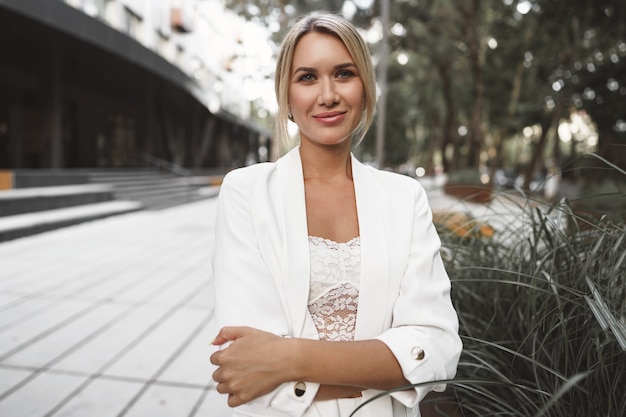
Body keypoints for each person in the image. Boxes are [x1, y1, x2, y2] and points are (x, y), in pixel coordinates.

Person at [210, 12, 462, 417]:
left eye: (344, 74)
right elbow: (246, 369)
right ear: (287, 96)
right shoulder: (246, 193)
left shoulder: (404, 197)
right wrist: (384, 368)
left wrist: (286, 358)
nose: (327, 94)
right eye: (307, 77)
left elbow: (437, 351)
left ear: (365, 87)